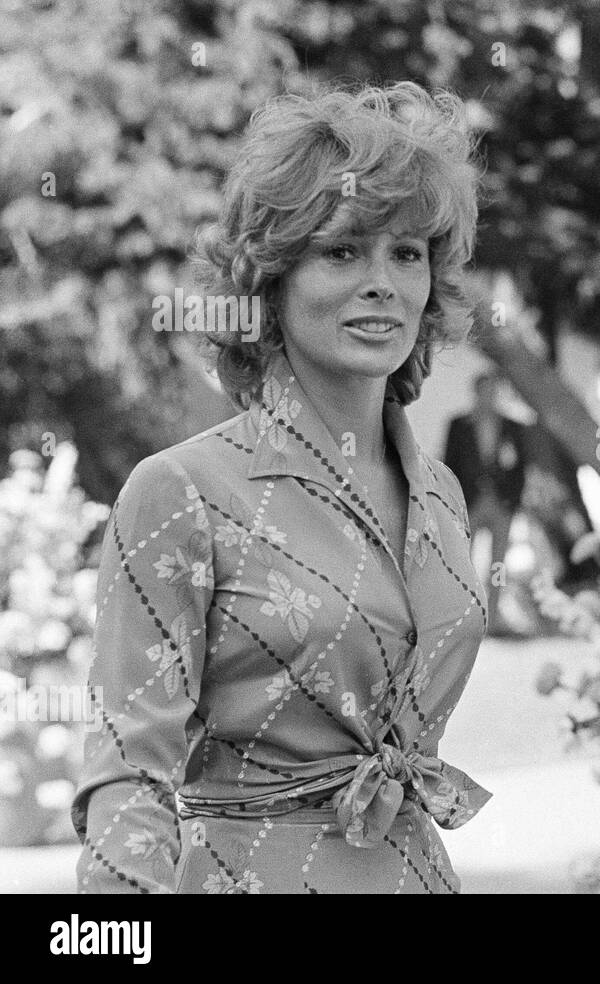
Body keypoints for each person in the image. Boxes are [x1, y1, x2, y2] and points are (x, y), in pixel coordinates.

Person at [72, 82, 491, 893]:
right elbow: (128, 775)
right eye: (343, 251)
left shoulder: (440, 493)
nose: (383, 282)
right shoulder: (178, 491)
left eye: (407, 254)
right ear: (269, 282)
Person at [443, 373, 528, 629]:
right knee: (462, 560)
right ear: (476, 393)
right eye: (486, 391)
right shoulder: (459, 425)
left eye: (495, 391)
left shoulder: (513, 427)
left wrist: (513, 501)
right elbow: (450, 465)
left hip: (501, 504)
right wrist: (453, 502)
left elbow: (521, 468)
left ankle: (493, 614)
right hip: (470, 503)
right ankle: (463, 613)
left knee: (498, 565)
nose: (490, 396)